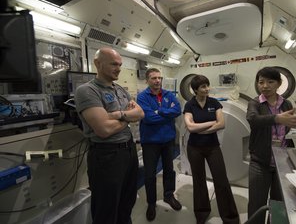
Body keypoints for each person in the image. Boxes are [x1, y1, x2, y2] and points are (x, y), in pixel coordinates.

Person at [75, 47, 144, 224]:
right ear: (97, 64)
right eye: (114, 64)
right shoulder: (87, 91)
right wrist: (128, 117)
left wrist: (117, 115)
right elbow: (104, 130)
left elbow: (140, 113)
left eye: (120, 64)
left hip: (128, 152)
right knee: (106, 209)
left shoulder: (120, 89)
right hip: (107, 156)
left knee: (127, 202)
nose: (118, 68)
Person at [246, 66, 296, 224]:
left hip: (282, 162)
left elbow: (291, 126)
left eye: (270, 81)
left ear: (278, 83)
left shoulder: (286, 103)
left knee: (279, 203)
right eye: (261, 82)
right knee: (256, 204)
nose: (265, 86)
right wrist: (277, 118)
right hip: (260, 162)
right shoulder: (255, 103)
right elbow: (253, 120)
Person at [183, 74, 239, 224]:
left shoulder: (214, 103)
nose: (207, 89)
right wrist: (210, 123)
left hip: (212, 147)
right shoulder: (189, 105)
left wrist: (200, 129)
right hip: (194, 148)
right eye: (203, 86)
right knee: (199, 180)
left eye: (207, 85)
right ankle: (201, 213)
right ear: (195, 89)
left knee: (221, 180)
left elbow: (221, 124)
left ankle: (230, 217)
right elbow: (190, 126)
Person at [136, 68, 182, 221]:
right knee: (150, 174)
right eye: (154, 78)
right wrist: (166, 114)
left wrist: (158, 112)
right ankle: (151, 203)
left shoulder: (169, 95)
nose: (157, 81)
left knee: (169, 170)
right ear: (147, 80)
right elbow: (148, 118)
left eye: (159, 78)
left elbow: (177, 110)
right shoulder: (142, 97)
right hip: (150, 142)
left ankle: (169, 196)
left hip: (168, 141)